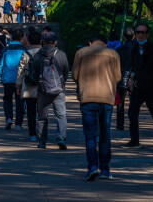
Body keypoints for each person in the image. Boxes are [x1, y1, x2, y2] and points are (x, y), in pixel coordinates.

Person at [74, 33, 122, 181]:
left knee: (90, 135)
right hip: (107, 98)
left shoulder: (81, 53)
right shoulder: (113, 54)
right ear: (105, 44)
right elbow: (118, 77)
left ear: (90, 43)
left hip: (87, 97)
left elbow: (75, 75)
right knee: (105, 135)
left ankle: (92, 166)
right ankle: (105, 169)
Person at [30, 30, 69, 149]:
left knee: (42, 116)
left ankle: (42, 140)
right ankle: (61, 137)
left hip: (43, 89)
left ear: (43, 41)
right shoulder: (61, 54)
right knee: (61, 114)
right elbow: (66, 71)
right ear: (55, 42)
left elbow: (34, 73)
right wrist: (62, 83)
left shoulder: (37, 55)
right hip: (59, 89)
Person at [0, 28, 26, 131]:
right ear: (21, 38)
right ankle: (18, 124)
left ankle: (9, 118)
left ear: (11, 37)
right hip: (20, 80)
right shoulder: (24, 50)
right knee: (20, 101)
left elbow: (0, 65)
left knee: (7, 100)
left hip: (7, 79)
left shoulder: (5, 50)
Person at [16, 30, 43, 140]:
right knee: (42, 112)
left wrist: (18, 86)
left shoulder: (26, 54)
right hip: (43, 86)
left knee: (31, 112)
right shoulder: (45, 53)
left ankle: (32, 134)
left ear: (29, 41)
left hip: (29, 86)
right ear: (41, 40)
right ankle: (42, 133)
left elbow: (20, 71)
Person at [116, 27, 136, 130]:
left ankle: (120, 124)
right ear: (134, 36)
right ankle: (133, 123)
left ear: (124, 37)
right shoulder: (137, 49)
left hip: (121, 78)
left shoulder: (119, 50)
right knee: (133, 102)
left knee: (120, 102)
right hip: (133, 79)